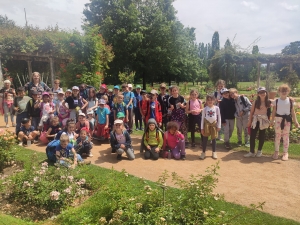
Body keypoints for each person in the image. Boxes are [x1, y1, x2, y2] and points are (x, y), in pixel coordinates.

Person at [270, 84, 299, 161]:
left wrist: (296, 122)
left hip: (287, 120)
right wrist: (272, 120)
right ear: (279, 91)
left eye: (286, 90)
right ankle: (276, 152)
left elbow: (293, 112)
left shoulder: (290, 101)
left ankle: (285, 153)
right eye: (282, 90)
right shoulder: (276, 101)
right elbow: (274, 111)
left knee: (286, 136)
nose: (284, 92)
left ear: (288, 91)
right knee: (277, 136)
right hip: (278, 120)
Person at [244, 87, 271, 158]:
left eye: (263, 92)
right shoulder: (255, 102)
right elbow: (252, 112)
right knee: (252, 136)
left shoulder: (268, 102)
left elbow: (277, 102)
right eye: (260, 92)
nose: (262, 94)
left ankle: (259, 151)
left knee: (261, 136)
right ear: (258, 94)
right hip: (255, 120)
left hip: (263, 121)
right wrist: (250, 121)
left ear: (266, 93)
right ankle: (251, 151)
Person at [200, 95, 221, 160]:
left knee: (214, 139)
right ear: (206, 101)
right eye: (208, 100)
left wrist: (219, 126)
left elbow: (219, 117)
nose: (210, 101)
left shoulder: (217, 108)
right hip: (206, 125)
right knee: (205, 139)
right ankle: (203, 152)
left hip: (214, 125)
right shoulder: (205, 109)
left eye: (211, 100)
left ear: (214, 101)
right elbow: (202, 118)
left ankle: (214, 152)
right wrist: (202, 128)